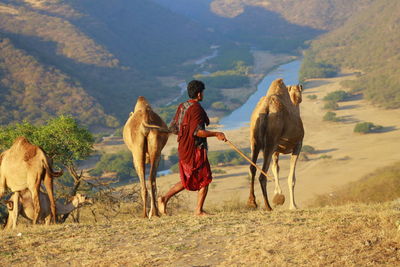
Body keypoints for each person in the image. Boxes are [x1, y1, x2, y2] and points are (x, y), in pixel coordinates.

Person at [158, 80, 226, 216]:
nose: (203, 94)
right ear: (199, 94)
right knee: (205, 178)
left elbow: (173, 128)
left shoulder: (182, 106)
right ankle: (198, 210)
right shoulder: (197, 109)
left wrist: (185, 134)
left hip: (183, 149)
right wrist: (216, 134)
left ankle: (164, 198)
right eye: (203, 92)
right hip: (195, 150)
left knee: (188, 179)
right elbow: (198, 132)